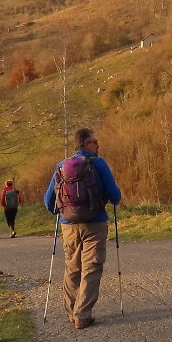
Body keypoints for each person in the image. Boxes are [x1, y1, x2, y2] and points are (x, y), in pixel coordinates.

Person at [44, 128, 122, 329]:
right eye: (95, 142)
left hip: (68, 226)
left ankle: (71, 312)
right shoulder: (99, 164)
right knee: (92, 268)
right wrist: (114, 196)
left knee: (72, 267)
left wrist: (63, 212)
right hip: (95, 223)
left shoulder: (62, 166)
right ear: (87, 144)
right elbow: (115, 196)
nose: (98, 145)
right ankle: (82, 315)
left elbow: (48, 201)